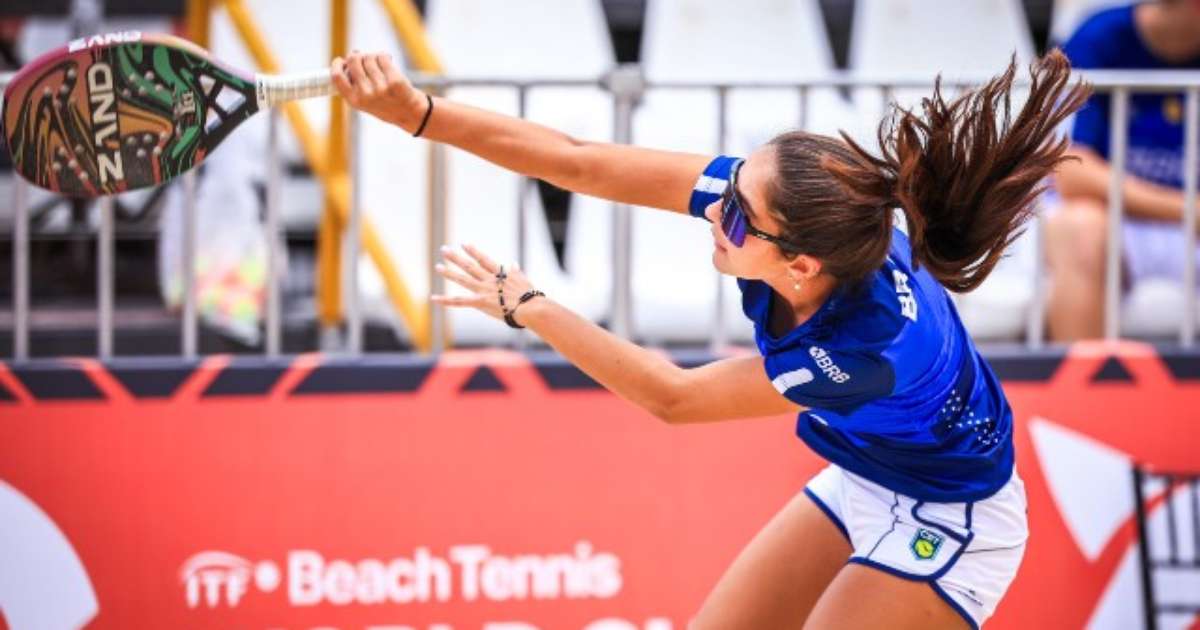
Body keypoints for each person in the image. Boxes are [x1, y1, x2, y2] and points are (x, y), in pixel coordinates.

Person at [330, 49, 1088, 629]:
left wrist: (527, 304)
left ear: (798, 264)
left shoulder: (866, 352)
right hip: (869, 475)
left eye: (733, 216)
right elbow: (578, 162)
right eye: (725, 192)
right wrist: (417, 114)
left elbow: (674, 398)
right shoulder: (795, 209)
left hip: (953, 517)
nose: (713, 213)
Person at [1047, 0, 1200, 340]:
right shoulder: (1099, 38)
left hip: (1191, 231)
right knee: (1080, 228)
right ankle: (1083, 391)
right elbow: (1069, 170)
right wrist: (1186, 208)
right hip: (1117, 220)